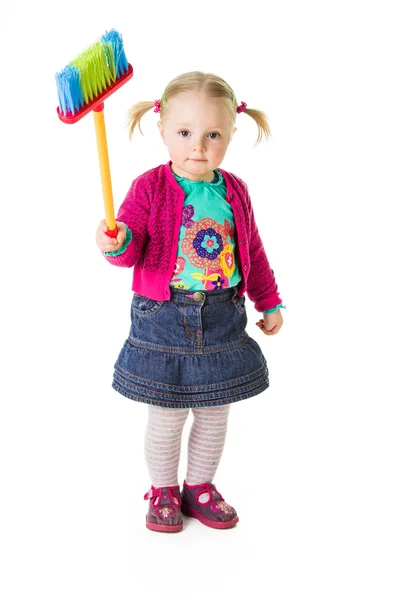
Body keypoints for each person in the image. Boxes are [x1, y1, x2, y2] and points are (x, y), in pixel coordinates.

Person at [95, 71, 285, 533]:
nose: (197, 146)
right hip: (162, 315)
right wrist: (114, 243)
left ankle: (199, 486)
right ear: (162, 130)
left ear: (231, 135)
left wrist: (269, 301)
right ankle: (162, 489)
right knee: (166, 410)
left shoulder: (234, 190)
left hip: (222, 314)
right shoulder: (149, 187)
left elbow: (252, 251)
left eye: (212, 135)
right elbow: (131, 249)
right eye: (185, 133)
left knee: (215, 409)